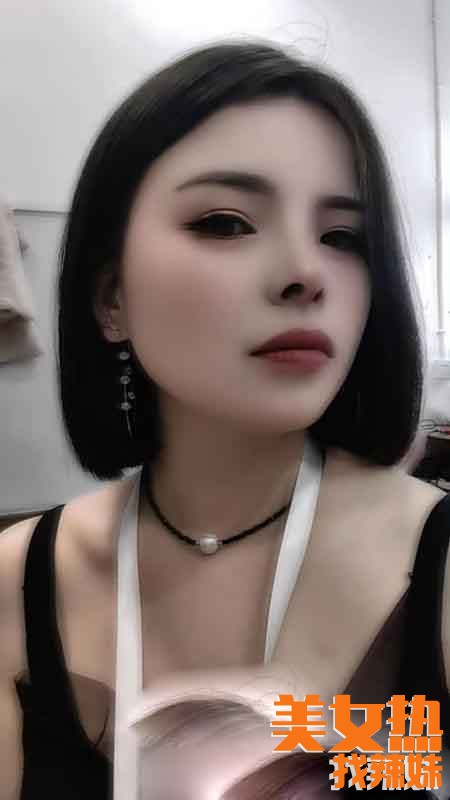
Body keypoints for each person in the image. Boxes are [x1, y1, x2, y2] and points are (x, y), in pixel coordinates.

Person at [0, 37, 449, 800]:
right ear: (111, 298)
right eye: (226, 222)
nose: (307, 272)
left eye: (344, 237)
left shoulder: (437, 562)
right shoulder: (18, 579)